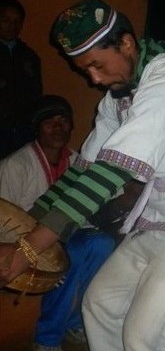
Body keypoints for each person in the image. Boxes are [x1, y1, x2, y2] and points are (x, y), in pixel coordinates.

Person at [0, 0, 165, 351]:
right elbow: (85, 168)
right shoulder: (117, 96)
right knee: (100, 305)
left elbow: (110, 174)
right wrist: (24, 225)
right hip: (158, 217)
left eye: (98, 65)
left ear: (126, 43)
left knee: (145, 335)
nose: (94, 79)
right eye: (86, 71)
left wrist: (28, 249)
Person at [0, 95, 116, 351]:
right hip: (27, 238)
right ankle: (47, 338)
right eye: (49, 122)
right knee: (70, 254)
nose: (58, 127)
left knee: (103, 244)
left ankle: (76, 322)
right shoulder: (15, 165)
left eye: (63, 121)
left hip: (72, 233)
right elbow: (4, 219)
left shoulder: (78, 161)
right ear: (36, 127)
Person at [0, 0, 42, 159]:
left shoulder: (29, 57)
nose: (12, 26)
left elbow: (36, 93)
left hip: (23, 128)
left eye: (17, 21)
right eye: (5, 20)